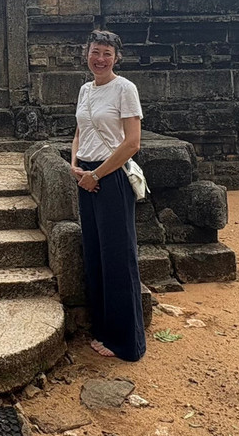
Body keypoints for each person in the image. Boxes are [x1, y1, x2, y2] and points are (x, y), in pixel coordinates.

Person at [70, 29, 147, 361]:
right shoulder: (85, 89)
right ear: (86, 53)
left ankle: (126, 342)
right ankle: (103, 328)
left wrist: (95, 175)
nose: (99, 58)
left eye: (106, 53)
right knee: (96, 256)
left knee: (118, 258)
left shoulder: (124, 89)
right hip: (86, 176)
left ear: (117, 58)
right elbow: (79, 131)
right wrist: (74, 165)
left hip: (111, 177)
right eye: (94, 51)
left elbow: (132, 143)